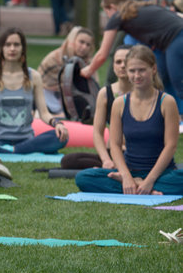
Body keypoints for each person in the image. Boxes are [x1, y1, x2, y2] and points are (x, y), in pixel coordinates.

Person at [76, 45, 183, 195]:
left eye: (142, 70)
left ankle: (142, 187)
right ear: (126, 71)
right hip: (129, 171)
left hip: (162, 174)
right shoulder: (119, 103)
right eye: (132, 71)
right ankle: (139, 187)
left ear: (153, 69)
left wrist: (150, 180)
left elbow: (171, 146)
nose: (137, 75)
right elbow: (115, 144)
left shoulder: (167, 102)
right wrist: (126, 177)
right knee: (83, 177)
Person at [80, 0, 183, 118]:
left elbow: (102, 54)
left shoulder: (118, 17)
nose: (107, 16)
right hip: (172, 40)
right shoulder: (142, 7)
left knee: (180, 83)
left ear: (111, 7)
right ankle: (173, 116)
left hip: (176, 40)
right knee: (161, 78)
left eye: (106, 12)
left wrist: (88, 70)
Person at [0, 27, 69, 154]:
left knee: (59, 137)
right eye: (8, 45)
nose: (12, 48)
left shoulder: (34, 76)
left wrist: (58, 124)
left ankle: (12, 150)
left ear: (23, 48)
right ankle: (14, 150)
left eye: (16, 45)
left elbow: (44, 113)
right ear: (1, 48)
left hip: (26, 139)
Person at [61, 45, 133, 169]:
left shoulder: (144, 92)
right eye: (118, 62)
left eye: (126, 62)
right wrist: (106, 160)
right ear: (113, 65)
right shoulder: (105, 93)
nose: (122, 65)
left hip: (136, 154)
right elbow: (98, 132)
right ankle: (111, 166)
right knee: (69, 160)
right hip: (112, 152)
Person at [38, 26, 95, 116]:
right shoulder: (55, 58)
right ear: (72, 42)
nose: (84, 47)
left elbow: (93, 86)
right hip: (48, 94)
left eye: (88, 45)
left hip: (71, 96)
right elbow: (44, 82)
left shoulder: (87, 62)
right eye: (81, 42)